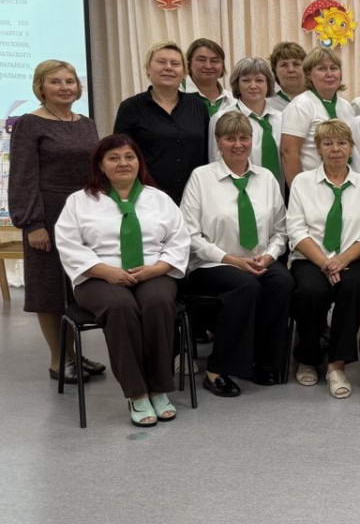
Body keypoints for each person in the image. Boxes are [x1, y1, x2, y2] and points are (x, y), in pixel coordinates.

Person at [55, 135, 190, 427]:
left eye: (129, 157)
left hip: (153, 271)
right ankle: (137, 393)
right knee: (120, 307)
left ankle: (159, 389)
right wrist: (105, 271)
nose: (123, 163)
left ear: (139, 162)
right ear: (100, 165)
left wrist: (157, 269)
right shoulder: (80, 201)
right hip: (97, 276)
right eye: (114, 158)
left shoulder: (159, 199)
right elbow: (68, 245)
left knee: (157, 302)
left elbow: (179, 240)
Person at [181, 112, 292, 397]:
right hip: (212, 264)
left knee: (282, 281)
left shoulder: (266, 178)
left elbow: (281, 230)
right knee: (246, 285)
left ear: (252, 141)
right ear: (218, 142)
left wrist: (269, 256)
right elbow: (190, 234)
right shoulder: (201, 178)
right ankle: (217, 369)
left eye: (244, 138)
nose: (238, 144)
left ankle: (264, 362)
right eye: (230, 138)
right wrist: (230, 260)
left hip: (258, 259)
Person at [7, 59, 101, 383]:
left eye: (69, 81)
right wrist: (32, 223)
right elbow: (22, 176)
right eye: (55, 82)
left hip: (84, 213)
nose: (64, 87)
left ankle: (74, 352)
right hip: (46, 213)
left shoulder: (86, 123)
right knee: (49, 289)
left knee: (76, 285)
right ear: (40, 87)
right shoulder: (29, 124)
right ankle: (59, 359)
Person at [286, 119, 360, 399]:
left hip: (352, 258)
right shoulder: (302, 183)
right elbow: (296, 229)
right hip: (310, 257)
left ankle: (337, 365)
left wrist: (343, 259)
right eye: (328, 143)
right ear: (318, 148)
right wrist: (324, 262)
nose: (335, 149)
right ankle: (308, 357)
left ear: (351, 148)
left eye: (342, 143)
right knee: (311, 291)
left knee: (355, 287)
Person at [113, 41, 210, 204]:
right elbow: (120, 155)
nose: (168, 68)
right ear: (148, 69)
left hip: (195, 196)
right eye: (161, 62)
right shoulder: (130, 107)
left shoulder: (198, 106)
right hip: (148, 198)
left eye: (175, 64)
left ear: (184, 72)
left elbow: (207, 153)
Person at [280, 47, 359, 185]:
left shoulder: (346, 106)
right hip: (313, 186)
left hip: (344, 183)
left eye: (333, 68)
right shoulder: (301, 105)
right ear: (309, 74)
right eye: (322, 69)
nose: (329, 74)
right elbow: (288, 152)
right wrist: (299, 189)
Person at [208, 56, 285, 186]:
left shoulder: (282, 119)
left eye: (259, 80)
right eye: (246, 80)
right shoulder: (221, 118)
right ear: (237, 84)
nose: (253, 86)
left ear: (268, 84)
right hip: (235, 190)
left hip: (277, 193)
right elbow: (215, 162)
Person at [186, 38, 234, 118]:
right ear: (189, 63)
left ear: (222, 66)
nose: (208, 66)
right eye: (201, 60)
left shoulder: (233, 100)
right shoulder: (175, 96)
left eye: (214, 61)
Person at [267, 41, 307, 111]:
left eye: (296, 64)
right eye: (284, 65)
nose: (291, 70)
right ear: (274, 70)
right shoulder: (265, 99)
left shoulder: (319, 95)